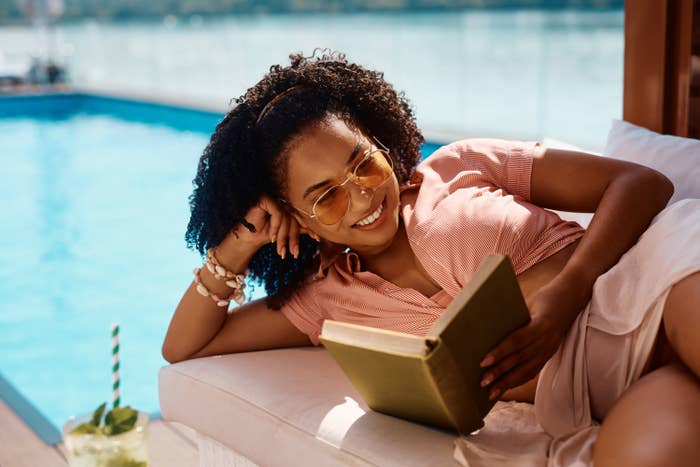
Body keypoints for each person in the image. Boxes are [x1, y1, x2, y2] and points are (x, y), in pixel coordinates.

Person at [162, 50, 700, 466]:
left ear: (380, 142)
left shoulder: (460, 164)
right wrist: (237, 245)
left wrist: (569, 289)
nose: (364, 197)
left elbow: (640, 182)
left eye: (363, 165)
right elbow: (187, 346)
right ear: (298, 220)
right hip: (609, 389)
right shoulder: (324, 298)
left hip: (653, 283)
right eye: (326, 196)